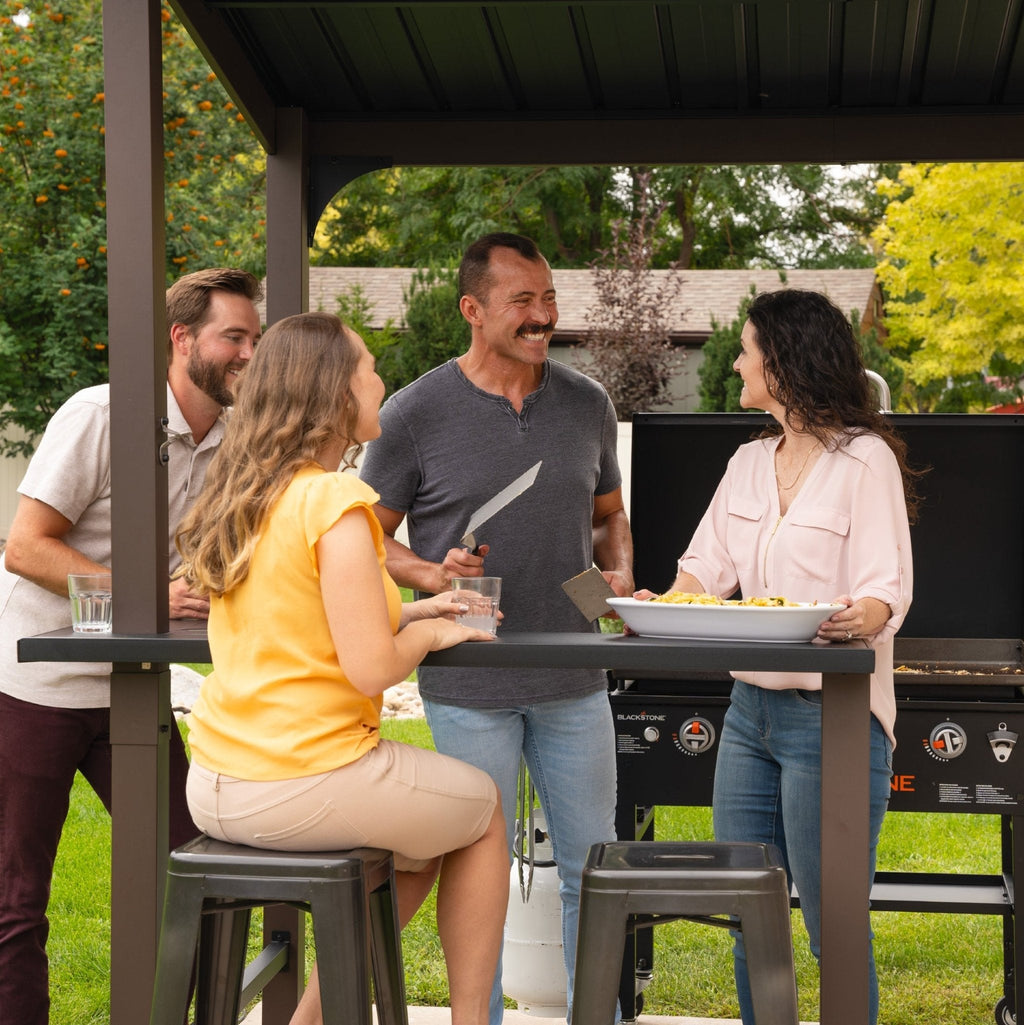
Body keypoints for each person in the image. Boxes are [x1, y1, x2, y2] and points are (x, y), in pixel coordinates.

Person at [175, 311, 509, 1025]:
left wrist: (420, 609)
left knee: (418, 850)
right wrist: (431, 638)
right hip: (302, 778)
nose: (381, 382)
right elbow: (369, 670)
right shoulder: (336, 501)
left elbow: (301, 620)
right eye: (367, 369)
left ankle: (310, 1019)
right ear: (330, 394)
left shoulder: (253, 493)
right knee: (482, 810)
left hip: (215, 779)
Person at [358, 231, 634, 1023]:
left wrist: (617, 571)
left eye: (548, 297)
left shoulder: (588, 403)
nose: (543, 314)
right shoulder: (412, 411)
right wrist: (428, 572)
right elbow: (369, 534)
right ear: (473, 310)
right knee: (473, 868)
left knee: (592, 866)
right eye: (523, 301)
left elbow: (610, 517)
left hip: (577, 674)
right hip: (467, 678)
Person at [641, 288, 917, 1025]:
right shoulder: (747, 461)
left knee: (833, 925)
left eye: (745, 348)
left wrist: (865, 614)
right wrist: (649, 600)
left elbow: (886, 589)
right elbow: (703, 570)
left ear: (784, 361)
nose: (735, 360)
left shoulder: (865, 462)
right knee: (746, 914)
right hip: (749, 716)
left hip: (834, 718)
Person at [0, 267, 263, 1025]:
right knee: (17, 900)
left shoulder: (230, 438)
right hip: (33, 686)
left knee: (199, 867)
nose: (249, 352)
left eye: (255, 337)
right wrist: (143, 595)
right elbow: (26, 547)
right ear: (183, 340)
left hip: (133, 685)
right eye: (233, 337)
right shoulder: (101, 414)